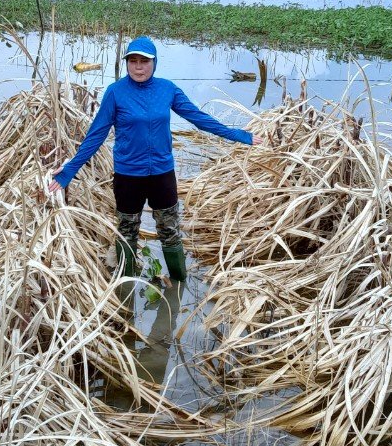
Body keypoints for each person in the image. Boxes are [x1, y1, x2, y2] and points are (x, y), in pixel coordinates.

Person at [48, 36, 263, 282]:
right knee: (127, 231)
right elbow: (96, 135)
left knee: (170, 231)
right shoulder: (116, 92)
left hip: (162, 174)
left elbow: (199, 119)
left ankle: (178, 284)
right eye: (133, 61)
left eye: (144, 61)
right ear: (127, 63)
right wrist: (68, 171)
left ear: (155, 63)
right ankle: (125, 290)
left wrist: (239, 135)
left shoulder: (167, 90)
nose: (138, 67)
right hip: (128, 176)